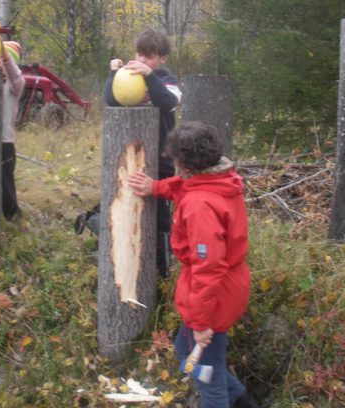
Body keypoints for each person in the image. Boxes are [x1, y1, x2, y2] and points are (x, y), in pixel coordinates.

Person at [128, 121, 257, 408]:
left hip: (215, 294)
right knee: (187, 354)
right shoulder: (219, 179)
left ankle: (228, 400)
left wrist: (201, 323)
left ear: (183, 163)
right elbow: (184, 188)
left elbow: (208, 268)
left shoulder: (200, 207)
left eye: (174, 158)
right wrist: (155, 187)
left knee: (207, 376)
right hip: (223, 288)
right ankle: (244, 403)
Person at [104, 27, 182, 278]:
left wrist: (150, 76)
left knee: (157, 216)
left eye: (148, 57)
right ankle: (133, 264)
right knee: (130, 210)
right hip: (132, 159)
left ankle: (161, 270)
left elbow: (168, 101)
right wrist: (113, 74)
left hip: (160, 161)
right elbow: (112, 100)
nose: (140, 61)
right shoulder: (131, 78)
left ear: (162, 59)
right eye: (138, 55)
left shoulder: (168, 82)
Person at [0, 39, 25, 222]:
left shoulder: (15, 85)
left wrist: (5, 58)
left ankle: (12, 218)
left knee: (5, 184)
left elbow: (15, 76)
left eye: (2, 60)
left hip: (5, 143)